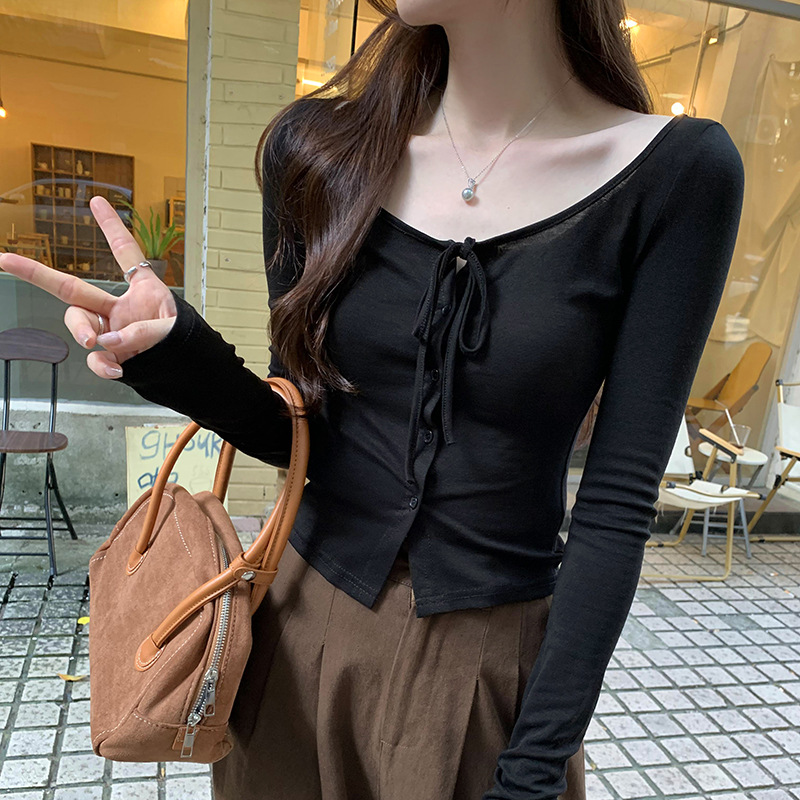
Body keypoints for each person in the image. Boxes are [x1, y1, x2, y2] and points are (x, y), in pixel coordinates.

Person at [0, 0, 745, 798]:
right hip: (293, 639)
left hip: (482, 667)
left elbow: (616, 501)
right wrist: (174, 352)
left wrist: (530, 773)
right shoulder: (317, 152)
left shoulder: (676, 174)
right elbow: (300, 431)